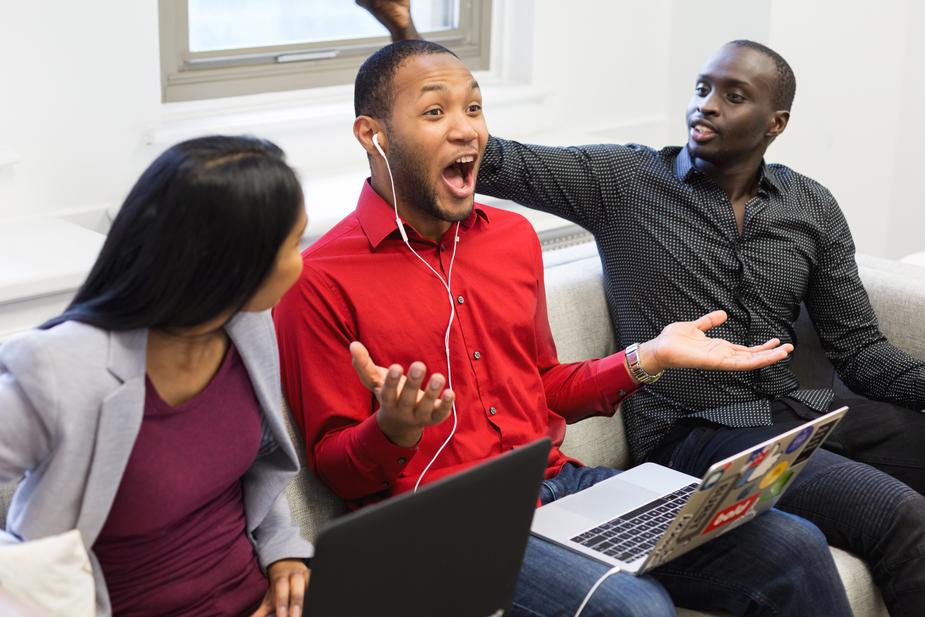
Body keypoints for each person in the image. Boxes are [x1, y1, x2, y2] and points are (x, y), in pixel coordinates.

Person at [274, 40, 852, 616]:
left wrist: (645, 358)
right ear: (371, 134)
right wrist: (394, 429)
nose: (466, 130)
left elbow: (541, 385)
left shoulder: (510, 240)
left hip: (561, 487)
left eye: (474, 108)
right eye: (434, 112)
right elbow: (335, 469)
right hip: (438, 531)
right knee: (636, 608)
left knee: (793, 546)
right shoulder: (320, 279)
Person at [0, 136, 314, 617]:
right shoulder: (59, 366)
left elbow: (261, 466)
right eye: (294, 244)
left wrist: (282, 547)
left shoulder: (247, 322)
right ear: (232, 265)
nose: (302, 262)